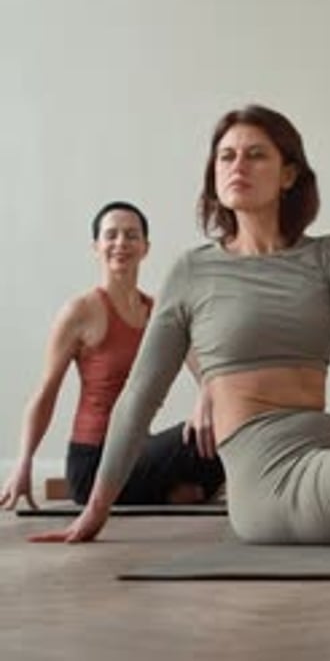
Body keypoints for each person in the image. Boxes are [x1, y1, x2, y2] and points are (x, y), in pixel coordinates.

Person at [29, 108, 330, 544]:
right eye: (226, 156)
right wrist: (95, 511)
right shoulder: (193, 273)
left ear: (288, 174)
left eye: (256, 155)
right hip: (272, 485)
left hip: (329, 454)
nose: (238, 166)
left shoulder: (327, 256)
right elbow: (139, 395)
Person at [0, 201, 224, 511]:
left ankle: (170, 492)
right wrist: (23, 463)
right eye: (111, 235)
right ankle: (174, 492)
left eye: (131, 235)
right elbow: (45, 393)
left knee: (228, 423)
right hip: (94, 462)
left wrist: (207, 398)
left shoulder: (160, 312)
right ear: (96, 246)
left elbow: (209, 374)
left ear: (145, 247)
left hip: (137, 452)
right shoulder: (80, 312)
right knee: (204, 452)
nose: (121, 243)